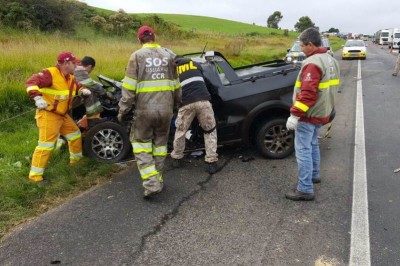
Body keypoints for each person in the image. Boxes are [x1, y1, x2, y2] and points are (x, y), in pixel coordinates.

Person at [117, 25, 181, 198]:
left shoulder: (137, 56)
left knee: (141, 146)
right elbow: (176, 86)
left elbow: (129, 88)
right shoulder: (168, 56)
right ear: (155, 37)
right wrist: (175, 107)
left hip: (144, 111)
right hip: (166, 111)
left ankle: (152, 184)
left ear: (139, 40)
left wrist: (123, 111)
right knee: (160, 147)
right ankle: (158, 179)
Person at [285, 28, 340, 201]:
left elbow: (308, 95)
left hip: (309, 115)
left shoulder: (312, 64)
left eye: (302, 45)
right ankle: (314, 175)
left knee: (303, 150)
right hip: (323, 113)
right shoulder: (330, 60)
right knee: (313, 144)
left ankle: (305, 189)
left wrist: (294, 115)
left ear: (310, 44)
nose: (301, 49)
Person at [26, 51, 89, 183]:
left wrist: (82, 90)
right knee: (46, 145)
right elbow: (31, 82)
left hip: (62, 115)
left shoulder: (70, 77)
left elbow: (77, 86)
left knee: (75, 134)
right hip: (48, 114)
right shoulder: (50, 73)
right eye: (74, 63)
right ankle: (35, 177)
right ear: (66, 63)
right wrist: (37, 98)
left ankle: (76, 163)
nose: (76, 66)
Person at [171, 57, 218, 174]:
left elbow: (172, 91)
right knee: (209, 130)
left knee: (180, 131)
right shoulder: (196, 64)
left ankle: (177, 158)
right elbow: (207, 82)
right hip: (203, 101)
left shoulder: (173, 70)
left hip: (186, 103)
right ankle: (211, 162)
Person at [74, 56, 114, 127]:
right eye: (92, 69)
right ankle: (93, 119)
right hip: (71, 95)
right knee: (90, 93)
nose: (91, 71)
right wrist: (105, 94)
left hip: (70, 92)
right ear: (90, 66)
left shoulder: (76, 68)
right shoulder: (80, 71)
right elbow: (92, 85)